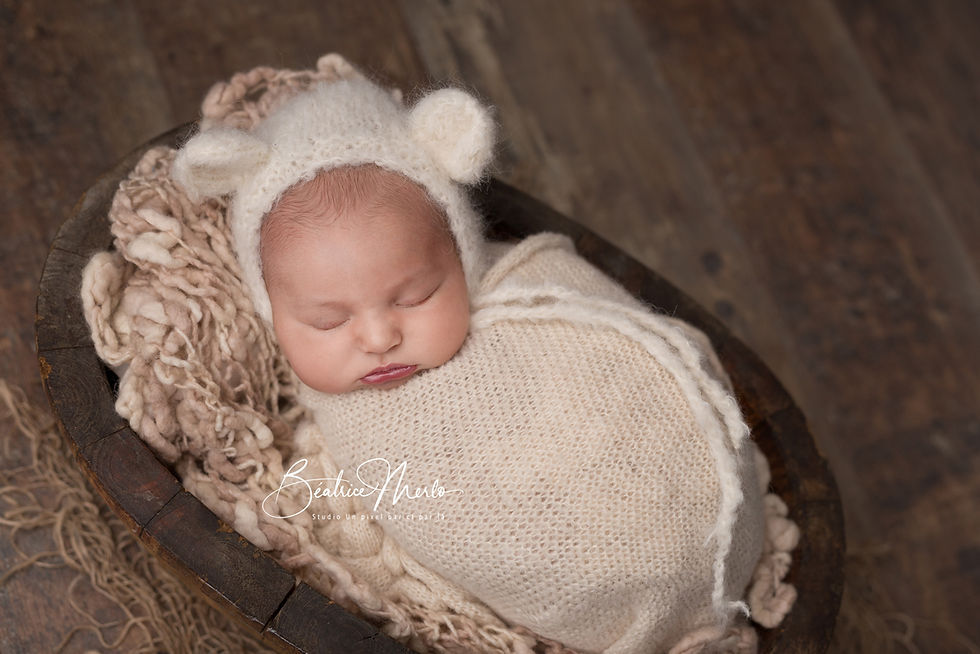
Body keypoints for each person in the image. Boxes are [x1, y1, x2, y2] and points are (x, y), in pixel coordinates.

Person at [173, 71, 794, 654]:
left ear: (462, 257)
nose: (381, 336)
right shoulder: (342, 434)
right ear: (272, 311)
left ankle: (676, 576)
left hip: (664, 506)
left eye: (416, 296)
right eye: (329, 321)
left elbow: (621, 375)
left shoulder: (532, 284)